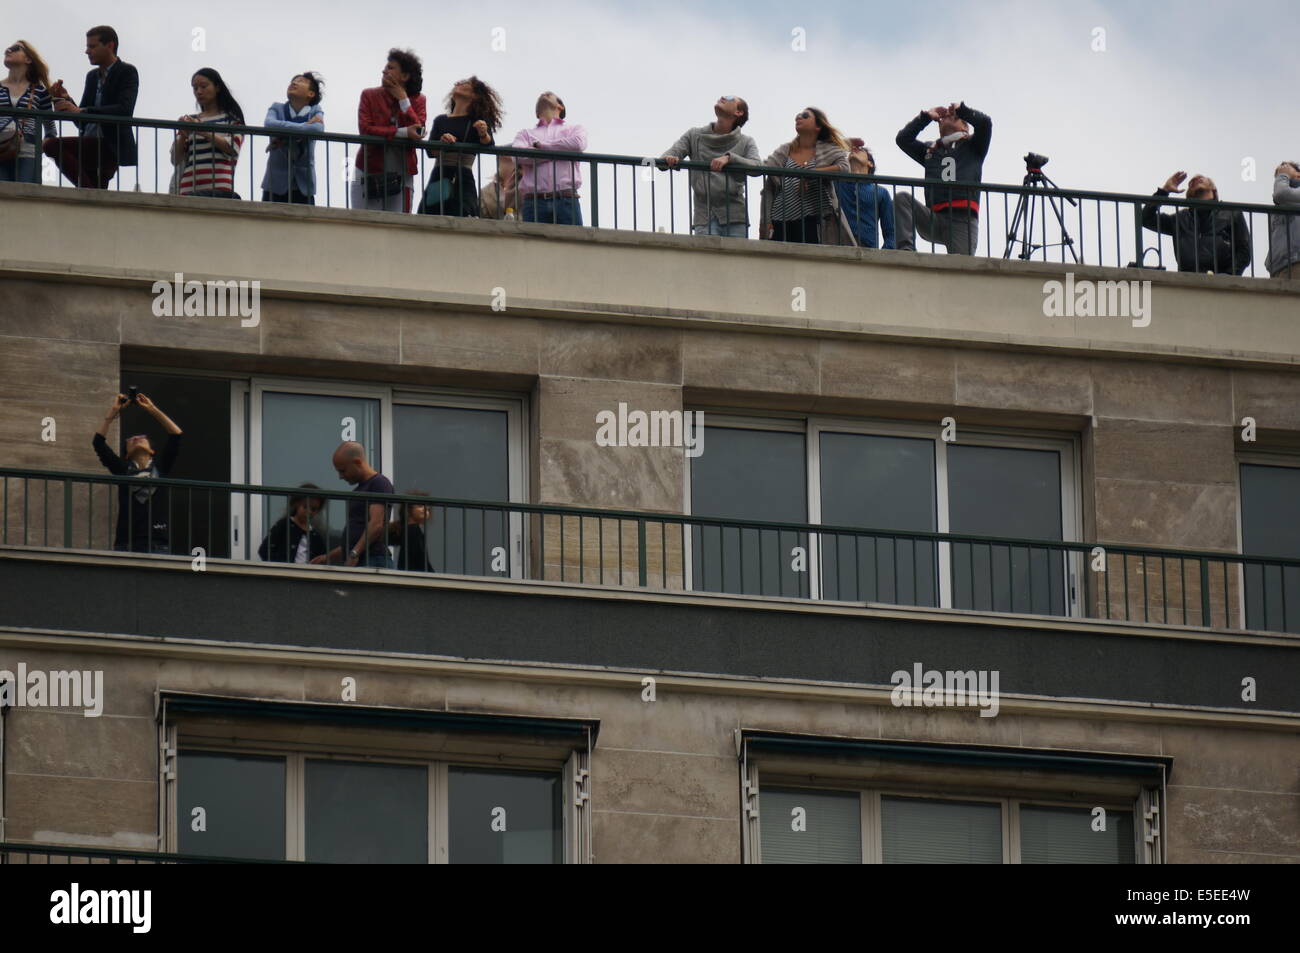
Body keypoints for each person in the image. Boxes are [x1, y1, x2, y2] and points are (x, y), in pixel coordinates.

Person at [42, 26, 138, 189]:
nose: (87, 51)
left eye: (92, 46)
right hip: (90, 141)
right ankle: (92, 194)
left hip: (110, 144)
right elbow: (82, 120)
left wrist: (82, 111)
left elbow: (124, 109)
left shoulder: (127, 71)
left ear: (109, 46)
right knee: (97, 201)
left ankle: (89, 192)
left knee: (51, 145)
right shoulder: (92, 76)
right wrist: (67, 101)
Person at [894, 101, 992, 255]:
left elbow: (985, 123)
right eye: (944, 118)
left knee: (961, 271)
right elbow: (903, 139)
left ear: (965, 127)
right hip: (934, 218)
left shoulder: (973, 146)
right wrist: (925, 117)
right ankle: (906, 250)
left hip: (962, 220)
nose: (947, 117)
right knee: (902, 199)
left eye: (953, 117)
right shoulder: (931, 149)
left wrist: (962, 110)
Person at [91, 392, 183, 554]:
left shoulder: (160, 468)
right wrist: (113, 412)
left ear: (152, 450)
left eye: (141, 437)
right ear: (126, 454)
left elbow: (176, 434)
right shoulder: (122, 470)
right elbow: (98, 443)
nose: (136, 439)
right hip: (127, 542)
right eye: (131, 439)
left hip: (157, 542)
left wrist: (152, 409)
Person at [659, 95, 760, 237]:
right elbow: (664, 159)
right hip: (704, 216)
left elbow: (757, 167)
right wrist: (669, 159)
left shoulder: (746, 141)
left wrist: (730, 158)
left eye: (730, 98)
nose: (723, 97)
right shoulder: (694, 135)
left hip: (735, 217)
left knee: (735, 259)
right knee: (706, 259)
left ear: (739, 112)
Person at [758, 106, 855, 245]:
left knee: (809, 262)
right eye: (797, 115)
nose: (798, 117)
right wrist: (766, 221)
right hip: (779, 218)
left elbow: (845, 169)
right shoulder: (785, 150)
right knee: (778, 263)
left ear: (818, 126)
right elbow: (765, 169)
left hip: (812, 217)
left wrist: (811, 174)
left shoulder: (829, 150)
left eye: (805, 115)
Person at [352, 49, 425, 213]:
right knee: (364, 224)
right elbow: (365, 131)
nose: (384, 70)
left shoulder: (419, 100)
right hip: (368, 170)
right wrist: (402, 132)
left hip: (403, 174)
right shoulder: (369, 95)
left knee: (398, 227)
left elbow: (419, 131)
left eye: (391, 67)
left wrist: (403, 99)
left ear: (405, 76)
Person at [420, 76, 502, 217]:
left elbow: (488, 144)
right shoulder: (441, 120)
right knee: (431, 215)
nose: (458, 84)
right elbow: (430, 152)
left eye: (465, 84)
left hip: (462, 177)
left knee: (463, 215)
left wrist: (483, 133)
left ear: (475, 95)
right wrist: (441, 142)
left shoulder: (477, 121)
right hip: (440, 174)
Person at [1141, 172, 1251, 275]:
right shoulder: (1180, 219)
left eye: (1201, 178)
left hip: (1221, 281)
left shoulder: (1231, 213)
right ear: (1189, 193)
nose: (1196, 179)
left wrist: (1228, 276)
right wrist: (1164, 191)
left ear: (1213, 188)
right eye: (1192, 182)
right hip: (1188, 282)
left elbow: (1244, 251)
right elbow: (1145, 219)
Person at [504, 91, 587, 225]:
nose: (544, 94)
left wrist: (540, 147)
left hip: (566, 199)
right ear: (536, 113)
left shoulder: (574, 129)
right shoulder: (525, 133)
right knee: (533, 246)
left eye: (549, 94)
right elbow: (518, 156)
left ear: (560, 107)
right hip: (534, 202)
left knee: (571, 245)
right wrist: (559, 152)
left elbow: (578, 144)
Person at [312, 442, 395, 569]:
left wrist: (354, 553)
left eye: (343, 470)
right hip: (365, 559)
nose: (340, 476)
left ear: (357, 462)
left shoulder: (379, 483)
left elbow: (376, 525)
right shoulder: (360, 489)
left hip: (373, 561)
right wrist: (327, 557)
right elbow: (356, 538)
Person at [171, 68, 244, 198]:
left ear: (217, 87)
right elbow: (175, 158)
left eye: (203, 86)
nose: (198, 91)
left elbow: (233, 147)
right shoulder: (191, 120)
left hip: (220, 189)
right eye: (195, 88)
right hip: (189, 188)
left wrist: (202, 130)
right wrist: (183, 134)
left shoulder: (231, 120)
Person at [261, 72, 324, 205]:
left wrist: (283, 133)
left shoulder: (315, 110)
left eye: (301, 81)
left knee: (304, 225)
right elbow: (269, 124)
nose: (294, 83)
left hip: (303, 186)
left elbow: (317, 129)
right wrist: (303, 126)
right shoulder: (277, 108)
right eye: (293, 81)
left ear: (311, 94)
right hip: (275, 185)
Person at [0, 40, 55, 184]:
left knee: (25, 193)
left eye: (15, 48)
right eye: (8, 48)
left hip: (28, 151)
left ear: (28, 59)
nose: (8, 50)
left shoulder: (40, 91)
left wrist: (40, 146)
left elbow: (50, 128)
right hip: (1, 147)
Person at [836, 140, 896, 249]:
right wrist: (844, 144)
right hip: (838, 246)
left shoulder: (881, 192)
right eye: (851, 150)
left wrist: (883, 255)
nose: (854, 150)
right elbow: (821, 154)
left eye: (860, 149)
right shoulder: (836, 183)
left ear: (870, 163)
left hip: (868, 249)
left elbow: (890, 232)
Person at [258, 483, 328, 563]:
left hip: (306, 574)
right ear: (296, 504)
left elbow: (322, 558)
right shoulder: (284, 525)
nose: (309, 512)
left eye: (314, 509)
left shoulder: (315, 536)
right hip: (284, 573)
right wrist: (279, 567)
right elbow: (264, 550)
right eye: (305, 507)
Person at [1265, 162, 1300, 280]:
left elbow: (1281, 193)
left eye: (1286, 168)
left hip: (1296, 261)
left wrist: (1283, 175)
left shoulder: (1285, 195)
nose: (1281, 174)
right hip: (1280, 267)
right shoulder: (1280, 206)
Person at [389, 489, 431, 572]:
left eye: (428, 509)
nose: (426, 509)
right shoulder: (413, 529)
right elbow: (420, 559)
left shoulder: (408, 529)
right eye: (420, 506)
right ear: (408, 509)